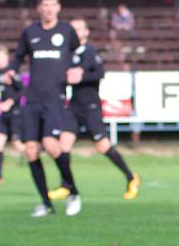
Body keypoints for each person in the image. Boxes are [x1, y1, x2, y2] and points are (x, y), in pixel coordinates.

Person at [3, 0, 82, 217]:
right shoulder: (30, 32)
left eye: (52, 4)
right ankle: (46, 203)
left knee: (50, 143)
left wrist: (77, 70)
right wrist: (10, 70)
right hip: (33, 98)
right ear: (38, 8)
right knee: (30, 150)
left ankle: (73, 191)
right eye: (44, 5)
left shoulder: (66, 31)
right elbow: (18, 56)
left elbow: (79, 54)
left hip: (54, 98)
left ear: (58, 7)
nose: (48, 9)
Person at [48, 18, 140, 201]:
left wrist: (81, 77)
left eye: (79, 29)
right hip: (73, 106)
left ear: (85, 32)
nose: (75, 33)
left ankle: (131, 177)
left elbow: (100, 73)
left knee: (102, 146)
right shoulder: (68, 52)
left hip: (90, 106)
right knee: (62, 146)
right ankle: (66, 185)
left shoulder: (89, 51)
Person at [0, 45, 25, 184]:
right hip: (4, 114)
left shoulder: (11, 71)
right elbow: (6, 93)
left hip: (15, 113)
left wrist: (9, 102)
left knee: (18, 145)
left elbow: (22, 90)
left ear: (7, 57)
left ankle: (35, 153)